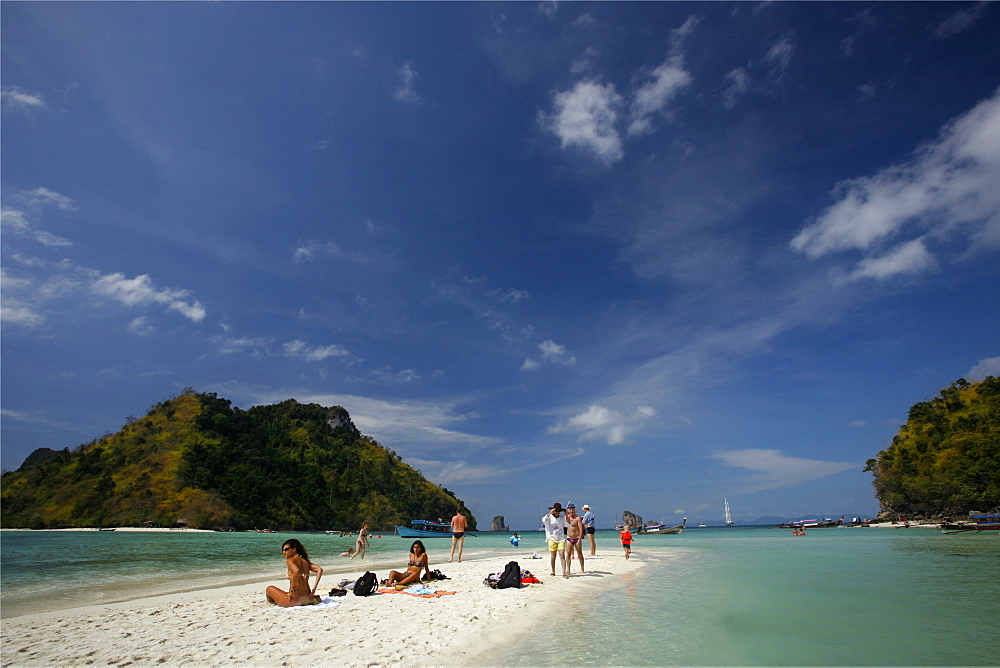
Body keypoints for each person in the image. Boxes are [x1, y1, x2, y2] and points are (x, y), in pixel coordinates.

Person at [265, 539, 324, 607]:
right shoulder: (305, 561)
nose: (284, 552)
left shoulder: (290, 561)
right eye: (283, 550)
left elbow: (296, 571)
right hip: (308, 599)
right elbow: (319, 570)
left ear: (294, 549)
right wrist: (313, 590)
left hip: (295, 601)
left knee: (269, 588)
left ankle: (274, 601)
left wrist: (293, 590)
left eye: (286, 549)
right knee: (284, 593)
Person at [541, 503, 570, 578]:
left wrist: (566, 515)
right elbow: (543, 520)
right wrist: (550, 512)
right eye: (556, 510)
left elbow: (568, 525)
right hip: (552, 538)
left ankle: (564, 572)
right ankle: (553, 571)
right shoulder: (549, 517)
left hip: (561, 539)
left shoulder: (561, 518)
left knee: (562, 555)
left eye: (558, 511)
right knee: (553, 556)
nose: (557, 512)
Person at [564, 503, 586, 574]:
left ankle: (582, 568)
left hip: (576, 538)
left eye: (573, 509)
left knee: (579, 553)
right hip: (569, 538)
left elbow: (580, 528)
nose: (571, 511)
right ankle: (568, 569)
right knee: (568, 554)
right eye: (570, 509)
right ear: (568, 510)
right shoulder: (565, 518)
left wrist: (580, 539)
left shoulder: (577, 518)